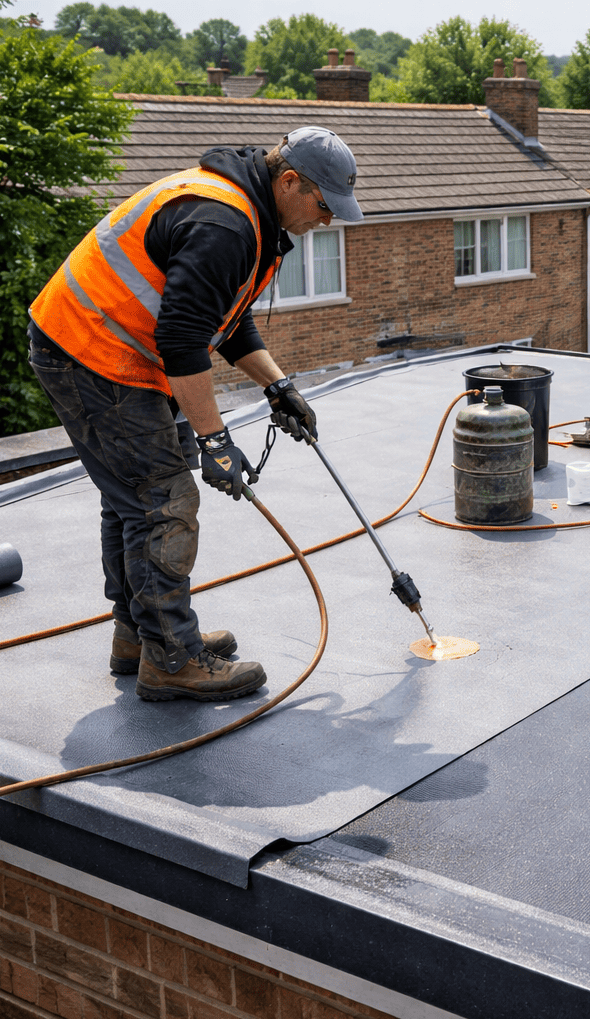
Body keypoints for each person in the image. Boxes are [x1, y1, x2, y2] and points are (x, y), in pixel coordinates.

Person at [27, 126, 363, 698]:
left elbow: (222, 320)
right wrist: (215, 441)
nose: (328, 221)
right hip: (92, 353)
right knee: (164, 500)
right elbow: (183, 339)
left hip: (110, 351)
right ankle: (172, 660)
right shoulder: (224, 223)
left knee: (136, 497)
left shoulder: (251, 215)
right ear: (289, 182)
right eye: (324, 206)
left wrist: (277, 386)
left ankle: (140, 637)